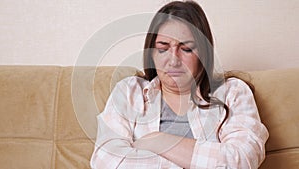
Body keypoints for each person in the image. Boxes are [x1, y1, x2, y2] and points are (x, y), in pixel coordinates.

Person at [90, 1, 269, 168]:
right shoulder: (129, 92)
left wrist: (160, 142)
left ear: (203, 54)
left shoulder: (233, 92)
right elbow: (105, 159)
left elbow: (243, 158)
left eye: (186, 49)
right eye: (163, 48)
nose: (174, 60)